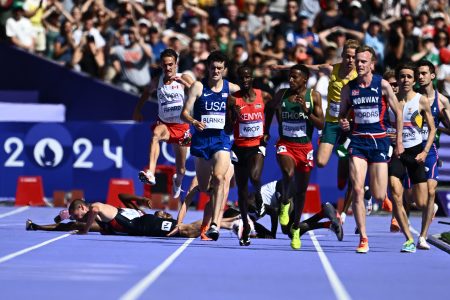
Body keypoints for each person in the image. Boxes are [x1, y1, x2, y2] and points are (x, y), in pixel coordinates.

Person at [339, 45, 404, 254]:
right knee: (357, 190)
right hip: (358, 142)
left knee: (377, 194)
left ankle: (382, 197)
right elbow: (342, 115)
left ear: (371, 64)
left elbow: (399, 113)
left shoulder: (382, 85)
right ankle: (363, 238)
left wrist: (399, 141)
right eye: (357, 61)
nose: (359, 64)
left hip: (379, 142)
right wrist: (345, 123)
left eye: (363, 61)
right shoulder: (348, 88)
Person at [180, 50, 240, 241]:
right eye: (213, 67)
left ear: (224, 70)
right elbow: (184, 113)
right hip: (201, 142)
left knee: (221, 178)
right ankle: (213, 204)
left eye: (219, 68)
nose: (216, 71)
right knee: (205, 188)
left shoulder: (230, 88)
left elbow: (248, 94)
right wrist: (193, 121)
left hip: (221, 140)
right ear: (208, 68)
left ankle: (215, 224)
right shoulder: (198, 87)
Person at [265, 64, 324, 250]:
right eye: (290, 77)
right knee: (288, 174)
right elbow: (269, 108)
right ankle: (283, 203)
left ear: (304, 79)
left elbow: (321, 124)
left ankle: (296, 228)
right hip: (285, 144)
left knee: (301, 191)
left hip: (305, 148)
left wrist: (306, 111)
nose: (291, 80)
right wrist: (266, 130)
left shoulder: (313, 97)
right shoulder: (282, 94)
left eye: (295, 77)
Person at [387, 62, 436, 253]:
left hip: (416, 152)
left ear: (414, 80)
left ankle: (424, 226)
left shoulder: (421, 100)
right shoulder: (390, 100)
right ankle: (408, 239)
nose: (405, 80)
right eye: (402, 77)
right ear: (397, 80)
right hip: (397, 153)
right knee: (395, 192)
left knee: (422, 203)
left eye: (409, 77)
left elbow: (432, 129)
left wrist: (425, 152)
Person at [135, 49, 194, 199]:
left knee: (181, 169)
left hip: (182, 127)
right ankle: (151, 173)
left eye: (170, 65)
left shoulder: (184, 77)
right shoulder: (158, 81)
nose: (168, 68)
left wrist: (186, 85)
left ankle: (178, 181)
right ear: (161, 65)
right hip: (165, 125)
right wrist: (138, 110)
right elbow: (146, 93)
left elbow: (199, 93)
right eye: (165, 65)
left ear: (176, 64)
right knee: (155, 135)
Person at [227, 65, 272, 246]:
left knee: (255, 177)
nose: (245, 80)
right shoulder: (233, 100)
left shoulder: (264, 96)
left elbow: (272, 110)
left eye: (248, 77)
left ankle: (260, 197)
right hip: (239, 147)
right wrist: (235, 116)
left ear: (252, 78)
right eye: (241, 78)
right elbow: (228, 128)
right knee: (242, 190)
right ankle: (245, 224)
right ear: (238, 80)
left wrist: (267, 131)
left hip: (257, 145)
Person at [414, 60, 450, 248]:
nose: (420, 77)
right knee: (416, 199)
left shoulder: (442, 101)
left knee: (430, 192)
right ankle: (430, 208)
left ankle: (422, 236)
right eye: (418, 74)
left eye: (424, 73)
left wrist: (437, 129)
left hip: (430, 151)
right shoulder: (412, 97)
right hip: (411, 149)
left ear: (432, 76)